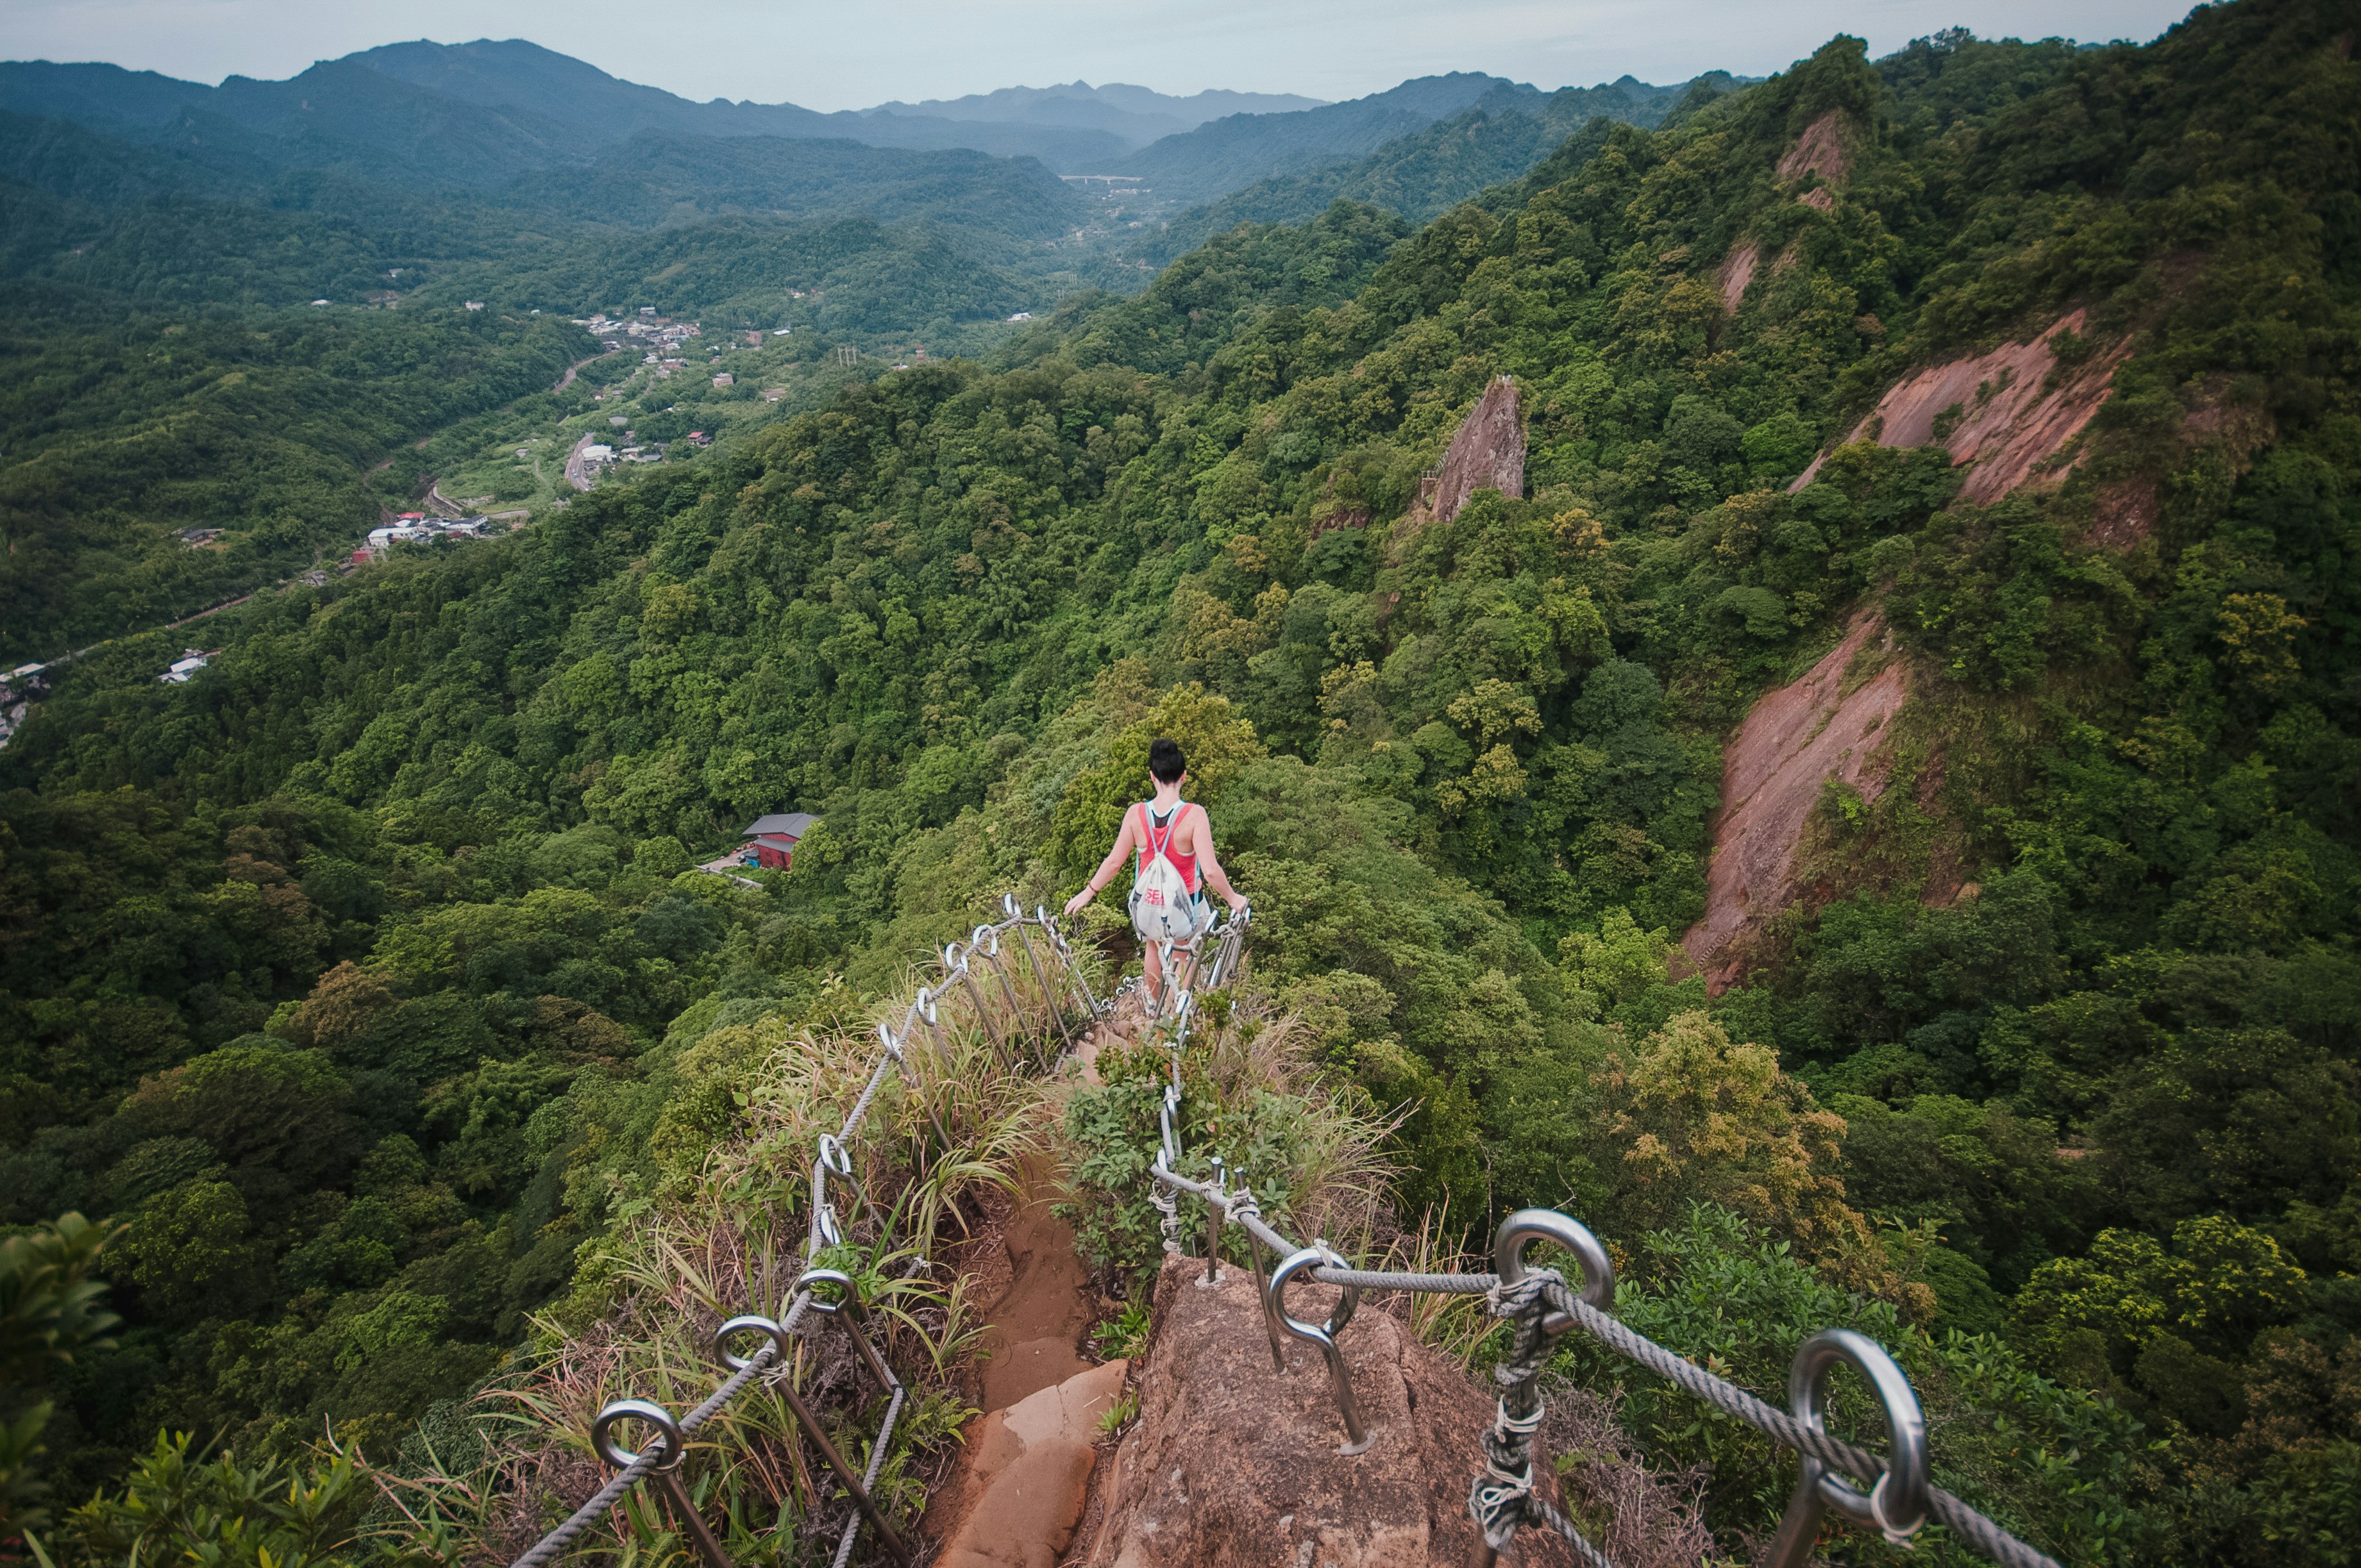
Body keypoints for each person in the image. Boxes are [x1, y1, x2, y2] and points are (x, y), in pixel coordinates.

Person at [1063, 737, 1246, 1008]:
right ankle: (1181, 1013)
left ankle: (1155, 1009)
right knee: (1183, 954)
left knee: (1153, 944)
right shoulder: (1194, 815)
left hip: (1149, 903)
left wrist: (1088, 893)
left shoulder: (1135, 814)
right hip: (1186, 905)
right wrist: (1234, 899)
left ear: (1152, 776)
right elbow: (1210, 870)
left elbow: (1114, 862)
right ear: (1184, 776)